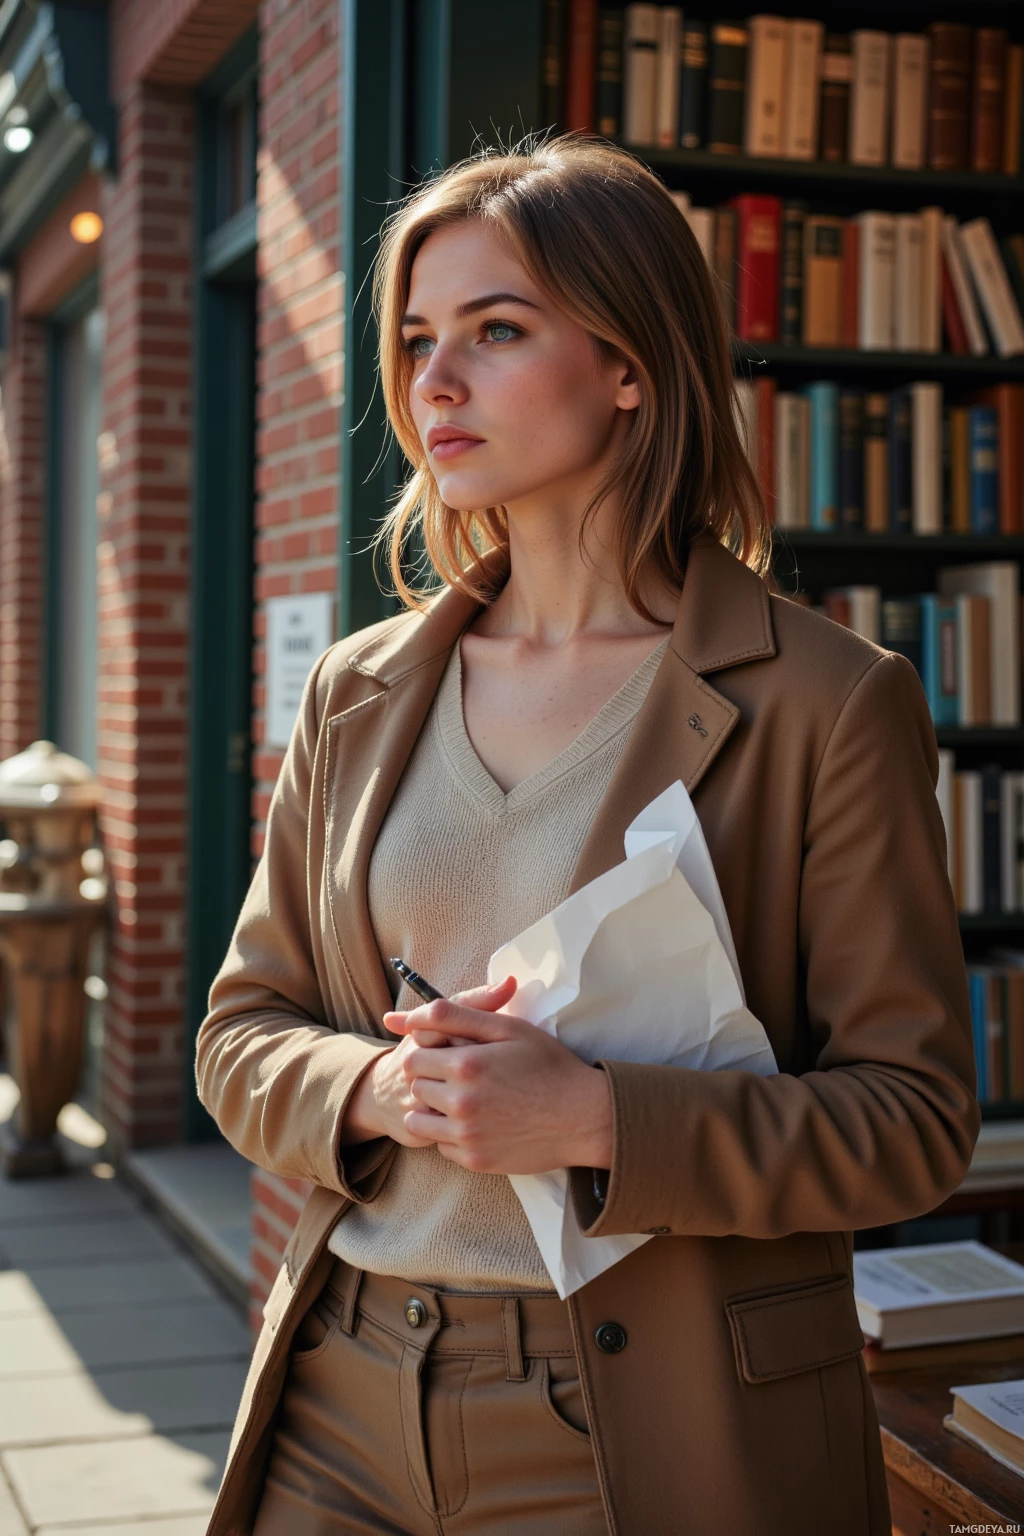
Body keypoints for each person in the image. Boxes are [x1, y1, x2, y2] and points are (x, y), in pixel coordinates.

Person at [196, 137, 979, 1536]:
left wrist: (601, 1119)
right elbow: (240, 1036)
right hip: (344, 1385)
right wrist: (384, 1093)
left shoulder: (830, 701)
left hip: (637, 1424)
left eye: (496, 331)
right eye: (420, 338)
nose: (433, 381)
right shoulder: (362, 687)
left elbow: (912, 1125)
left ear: (632, 363)